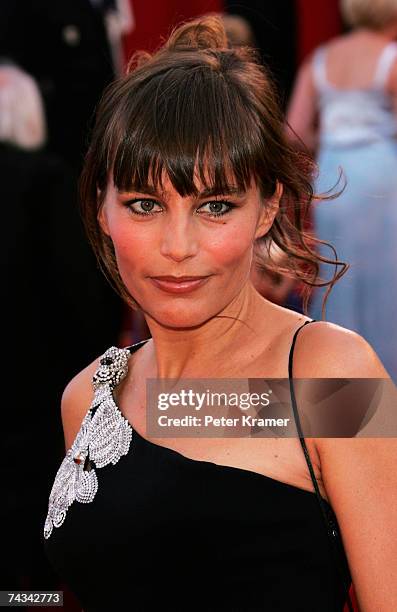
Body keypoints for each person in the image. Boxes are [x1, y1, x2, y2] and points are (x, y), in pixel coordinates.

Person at [42, 15, 396, 611]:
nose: (178, 247)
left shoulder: (330, 378)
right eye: (145, 203)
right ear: (101, 207)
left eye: (215, 205)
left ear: (266, 209)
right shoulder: (91, 395)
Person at [286, 0, 397, 384]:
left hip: (332, 180)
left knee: (337, 276)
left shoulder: (320, 59)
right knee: (385, 282)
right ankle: (388, 391)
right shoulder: (391, 57)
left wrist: (333, 141)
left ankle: (337, 396)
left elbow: (293, 131)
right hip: (382, 176)